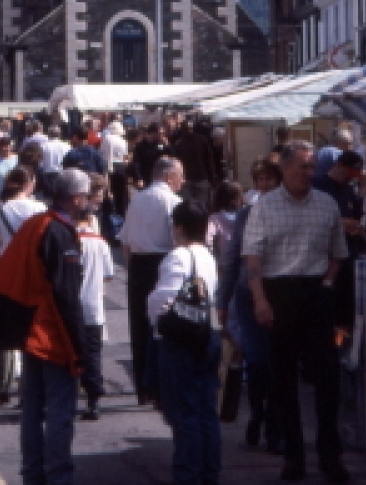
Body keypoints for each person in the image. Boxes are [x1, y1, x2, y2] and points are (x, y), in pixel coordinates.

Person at [243, 141, 350, 483]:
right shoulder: (265, 206)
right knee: (283, 380)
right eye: (301, 166)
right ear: (285, 168)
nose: (307, 172)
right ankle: (294, 456)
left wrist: (328, 284)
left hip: (316, 292)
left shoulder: (327, 204)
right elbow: (253, 257)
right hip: (280, 292)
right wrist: (260, 300)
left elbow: (338, 252)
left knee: (328, 378)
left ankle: (330, 456)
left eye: (311, 166)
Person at [0, 168, 88, 485]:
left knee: (32, 409)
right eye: (87, 196)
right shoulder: (58, 231)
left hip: (29, 329)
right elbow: (66, 297)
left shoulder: (35, 225)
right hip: (52, 334)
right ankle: (58, 476)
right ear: (76, 197)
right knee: (59, 412)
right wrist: (80, 347)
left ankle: (33, 474)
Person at [147, 200, 220, 485]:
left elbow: (163, 301)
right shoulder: (208, 256)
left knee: (185, 414)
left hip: (181, 340)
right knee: (205, 411)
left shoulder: (178, 256)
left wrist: (152, 312)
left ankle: (187, 476)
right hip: (207, 334)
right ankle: (209, 473)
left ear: (178, 227)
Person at [219, 158, 283, 453]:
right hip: (248, 296)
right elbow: (232, 260)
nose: (264, 184)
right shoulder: (245, 215)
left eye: (269, 178)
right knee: (256, 361)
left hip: (282, 296)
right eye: (260, 180)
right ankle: (258, 413)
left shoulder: (288, 214)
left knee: (279, 362)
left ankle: (274, 423)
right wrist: (222, 301)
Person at [119, 156, 184, 404]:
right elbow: (178, 239)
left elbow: (125, 240)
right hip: (163, 263)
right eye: (180, 175)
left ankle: (142, 389)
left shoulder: (137, 199)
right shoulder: (173, 202)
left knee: (139, 327)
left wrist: (133, 268)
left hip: (138, 265)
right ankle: (161, 387)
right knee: (165, 326)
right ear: (169, 177)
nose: (183, 180)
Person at [0, 166, 46, 404]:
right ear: (29, 184)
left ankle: (2, 386)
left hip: (6, 274)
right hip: (33, 274)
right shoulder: (40, 209)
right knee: (30, 331)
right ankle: (28, 389)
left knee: (5, 335)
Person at [313, 150, 366, 333]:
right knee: (328, 306)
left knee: (346, 307)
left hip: (348, 256)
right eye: (349, 174)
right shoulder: (319, 185)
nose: (350, 179)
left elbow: (358, 216)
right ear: (339, 166)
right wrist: (340, 224)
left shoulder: (349, 190)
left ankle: (343, 338)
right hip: (326, 258)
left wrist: (358, 227)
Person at [77, 195, 114, 420]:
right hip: (93, 306)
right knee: (93, 353)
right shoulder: (100, 243)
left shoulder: (69, 239)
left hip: (70, 307)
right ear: (90, 218)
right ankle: (93, 399)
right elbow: (109, 275)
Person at [173, 119, 216, 208]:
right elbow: (176, 162)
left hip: (201, 178)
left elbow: (209, 160)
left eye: (190, 128)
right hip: (186, 180)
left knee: (202, 206)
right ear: (182, 130)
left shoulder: (202, 141)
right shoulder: (178, 144)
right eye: (186, 129)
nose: (189, 131)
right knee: (188, 206)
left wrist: (211, 177)